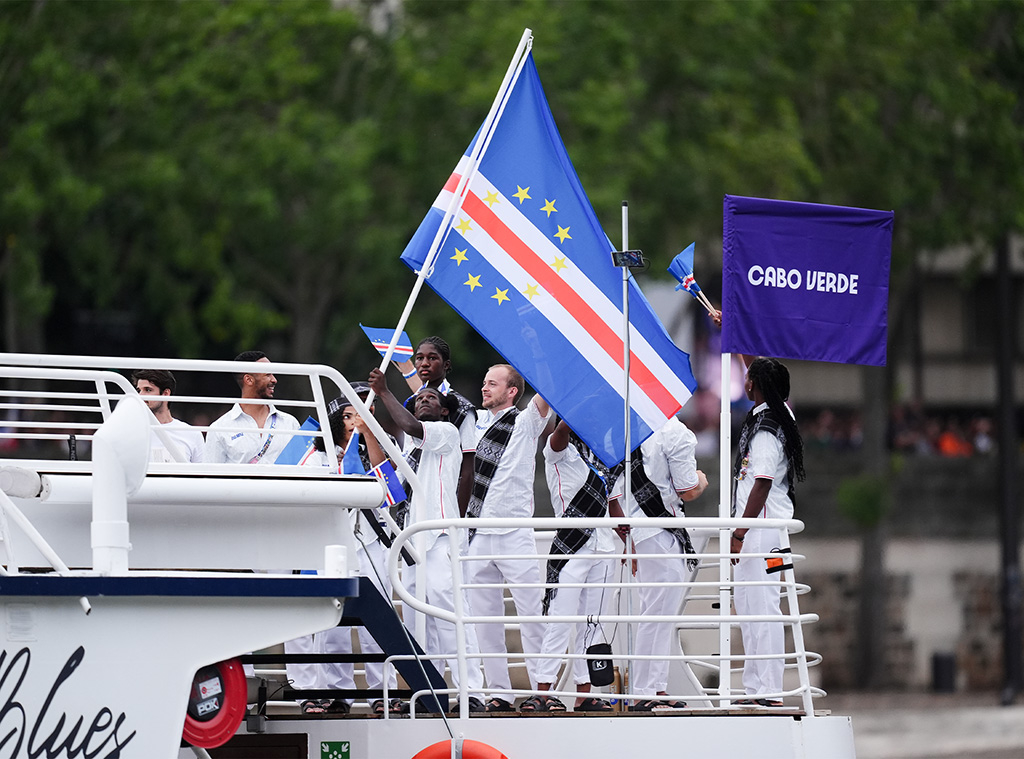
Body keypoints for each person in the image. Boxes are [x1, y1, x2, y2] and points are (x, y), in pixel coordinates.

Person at [368, 368, 486, 713]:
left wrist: (385, 391)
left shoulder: (446, 433)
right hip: (412, 542)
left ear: (444, 410)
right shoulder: (411, 450)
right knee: (421, 620)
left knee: (450, 612)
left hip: (439, 536)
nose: (423, 401)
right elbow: (390, 487)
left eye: (430, 398)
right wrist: (367, 427)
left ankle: (472, 690)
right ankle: (431, 690)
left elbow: (410, 425)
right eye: (419, 398)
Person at [298, 384, 400, 716]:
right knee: (333, 623)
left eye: (363, 412)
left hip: (370, 542)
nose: (355, 419)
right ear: (336, 418)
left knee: (378, 620)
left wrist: (369, 432)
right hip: (331, 544)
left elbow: (393, 492)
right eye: (349, 414)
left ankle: (381, 692)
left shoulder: (386, 444)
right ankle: (337, 691)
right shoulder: (318, 454)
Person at [463, 364, 552, 712]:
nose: (484, 388)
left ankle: (543, 691)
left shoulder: (527, 421)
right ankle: (499, 692)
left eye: (492, 383)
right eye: (484, 382)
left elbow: (550, 389)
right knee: (485, 622)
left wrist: (536, 347)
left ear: (512, 390)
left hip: (516, 531)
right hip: (477, 531)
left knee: (533, 616)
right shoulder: (471, 422)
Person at [609, 415, 708, 711]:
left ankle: (654, 687)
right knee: (659, 614)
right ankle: (645, 690)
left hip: (638, 528)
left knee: (656, 612)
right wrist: (703, 479)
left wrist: (629, 541)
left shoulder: (625, 430)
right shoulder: (675, 432)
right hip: (662, 529)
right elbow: (688, 488)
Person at [523, 419, 622, 713]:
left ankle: (584, 693)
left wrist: (626, 539)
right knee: (560, 620)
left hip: (604, 545)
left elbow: (612, 500)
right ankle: (543, 690)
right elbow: (560, 434)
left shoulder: (603, 457)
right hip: (571, 546)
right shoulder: (558, 450)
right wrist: (574, 410)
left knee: (592, 624)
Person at [730, 356, 805, 707]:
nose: (744, 382)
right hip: (768, 532)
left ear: (753, 386)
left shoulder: (765, 430)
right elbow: (757, 365)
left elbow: (761, 483)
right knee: (750, 607)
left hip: (759, 532)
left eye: (748, 378)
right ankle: (756, 688)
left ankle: (769, 690)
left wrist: (739, 532)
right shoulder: (780, 412)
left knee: (760, 607)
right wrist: (731, 330)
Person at [401, 336, 478, 517]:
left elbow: (468, 470)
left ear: (446, 365)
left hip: (444, 505)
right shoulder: (413, 404)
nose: (424, 363)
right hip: (413, 500)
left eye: (432, 358)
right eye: (419, 358)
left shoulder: (462, 407)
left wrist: (457, 520)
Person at [204, 351, 300, 464]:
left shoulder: (290, 423)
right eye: (268, 374)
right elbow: (212, 478)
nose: (274, 380)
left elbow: (301, 470)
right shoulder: (219, 429)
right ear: (248, 380)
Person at [131, 369, 204, 463]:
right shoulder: (131, 432)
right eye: (139, 390)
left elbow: (203, 475)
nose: (140, 395)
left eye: (148, 390)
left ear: (166, 394)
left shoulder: (192, 434)